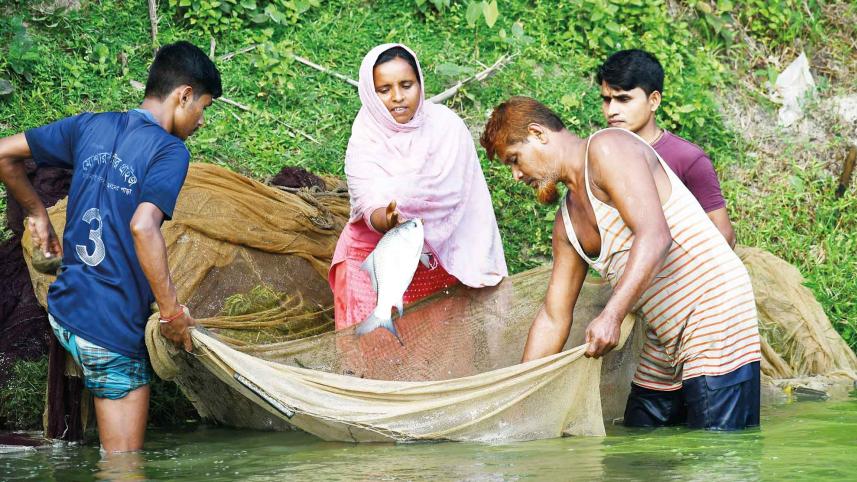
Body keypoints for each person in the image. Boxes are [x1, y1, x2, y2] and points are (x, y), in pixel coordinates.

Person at [480, 96, 761, 430]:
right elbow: (554, 316)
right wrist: (518, 399)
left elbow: (655, 236)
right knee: (640, 440)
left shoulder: (608, 149)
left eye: (514, 159)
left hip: (716, 311)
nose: (515, 175)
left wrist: (611, 316)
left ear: (538, 133)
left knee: (716, 450)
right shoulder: (566, 224)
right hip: (665, 333)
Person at [0, 41, 221, 451]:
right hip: (110, 330)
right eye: (203, 107)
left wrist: (38, 213)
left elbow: (4, 154)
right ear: (184, 94)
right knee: (124, 467)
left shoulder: (90, 125)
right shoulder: (170, 151)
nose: (201, 120)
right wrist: (172, 315)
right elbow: (143, 227)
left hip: (66, 311)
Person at [329, 43, 507, 333]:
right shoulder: (365, 136)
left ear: (420, 83)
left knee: (434, 354)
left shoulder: (447, 127)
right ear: (370, 94)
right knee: (373, 355)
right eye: (383, 90)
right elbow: (368, 200)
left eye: (406, 85)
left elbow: (461, 198)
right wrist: (387, 221)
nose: (397, 97)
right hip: (372, 258)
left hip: (439, 260)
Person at [596, 49, 736, 248]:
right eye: (607, 100)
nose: (612, 110)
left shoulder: (687, 159)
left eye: (624, 99)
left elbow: (724, 234)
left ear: (653, 101)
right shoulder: (602, 154)